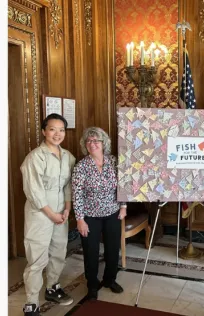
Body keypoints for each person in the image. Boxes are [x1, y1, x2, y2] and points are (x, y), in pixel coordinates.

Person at [20, 114, 75, 316]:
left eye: (61, 130)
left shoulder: (68, 156)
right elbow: (33, 190)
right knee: (37, 257)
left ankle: (53, 287)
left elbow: (68, 185)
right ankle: (31, 302)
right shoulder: (35, 157)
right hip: (40, 212)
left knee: (58, 252)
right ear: (44, 131)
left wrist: (67, 208)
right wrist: (51, 214)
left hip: (61, 210)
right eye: (52, 129)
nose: (57, 134)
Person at [71, 127, 126, 303]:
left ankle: (110, 279)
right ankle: (92, 285)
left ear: (104, 143)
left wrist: (123, 206)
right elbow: (77, 194)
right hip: (89, 216)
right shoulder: (81, 167)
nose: (92, 144)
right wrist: (80, 219)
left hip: (113, 213)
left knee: (112, 249)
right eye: (88, 141)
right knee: (91, 252)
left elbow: (122, 185)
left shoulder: (113, 161)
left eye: (96, 141)